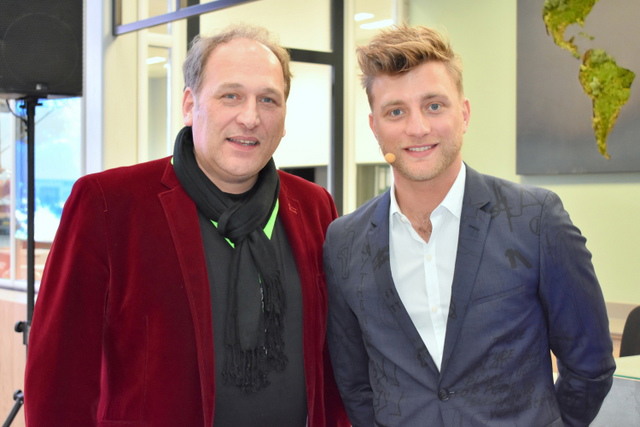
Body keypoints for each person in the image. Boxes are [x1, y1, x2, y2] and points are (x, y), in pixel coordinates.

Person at [24, 24, 348, 427]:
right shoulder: (109, 204)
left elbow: (333, 359)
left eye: (268, 100)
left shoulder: (313, 206)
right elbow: (60, 376)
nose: (250, 117)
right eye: (231, 96)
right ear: (190, 104)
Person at [323, 25, 615, 427]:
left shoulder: (536, 220)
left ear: (464, 114)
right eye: (396, 111)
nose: (417, 128)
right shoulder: (344, 241)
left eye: (434, 105)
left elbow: (590, 365)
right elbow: (353, 381)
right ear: (374, 127)